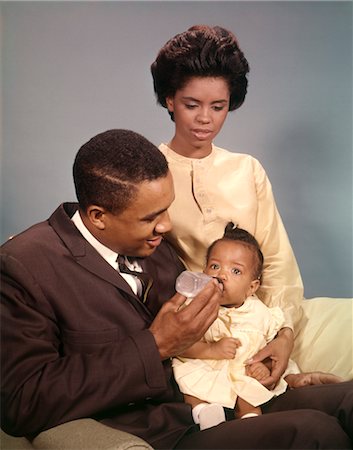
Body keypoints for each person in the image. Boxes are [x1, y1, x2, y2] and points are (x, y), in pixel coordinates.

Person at [1, 129, 352, 449]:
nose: (166, 225)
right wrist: (155, 346)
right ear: (97, 216)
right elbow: (21, 400)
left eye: (166, 209)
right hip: (166, 429)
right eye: (150, 218)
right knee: (315, 432)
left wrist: (284, 375)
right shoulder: (24, 266)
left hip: (234, 393)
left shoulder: (155, 246)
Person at [150, 24, 352, 385]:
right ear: (169, 100)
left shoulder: (247, 170)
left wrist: (284, 335)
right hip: (194, 333)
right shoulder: (149, 172)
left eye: (218, 106)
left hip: (256, 326)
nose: (205, 119)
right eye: (191, 104)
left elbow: (277, 261)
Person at [173, 223, 342, 430]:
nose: (221, 275)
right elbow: (181, 345)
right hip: (208, 366)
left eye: (235, 271)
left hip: (245, 371)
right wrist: (211, 349)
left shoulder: (261, 314)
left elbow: (272, 348)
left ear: (252, 287)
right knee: (190, 382)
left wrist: (265, 366)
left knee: (249, 390)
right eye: (214, 266)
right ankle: (204, 413)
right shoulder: (196, 306)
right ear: (204, 271)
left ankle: (251, 421)